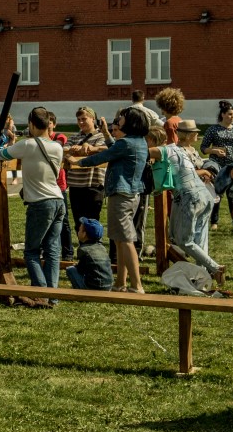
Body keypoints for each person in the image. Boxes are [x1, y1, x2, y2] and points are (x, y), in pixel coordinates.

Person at [74, 105, 149, 293]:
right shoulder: (138, 141)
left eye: (122, 117)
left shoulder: (126, 143)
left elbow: (103, 156)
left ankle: (137, 285)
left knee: (126, 240)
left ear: (131, 122)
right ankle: (120, 282)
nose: (119, 119)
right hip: (131, 195)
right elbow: (115, 149)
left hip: (121, 196)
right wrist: (107, 134)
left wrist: (78, 163)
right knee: (118, 239)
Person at [0, 108, 67, 293]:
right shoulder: (57, 147)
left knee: (32, 251)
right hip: (58, 200)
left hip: (40, 202)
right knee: (52, 250)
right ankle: (52, 293)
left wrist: (6, 143)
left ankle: (40, 291)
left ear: (32, 125)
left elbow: (0, 155)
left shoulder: (28, 145)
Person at [160, 119, 224, 286]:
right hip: (196, 195)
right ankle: (202, 278)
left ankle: (210, 270)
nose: (197, 134)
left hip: (195, 196)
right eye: (194, 132)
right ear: (187, 135)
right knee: (195, 239)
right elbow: (185, 171)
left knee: (191, 238)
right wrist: (202, 171)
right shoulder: (178, 151)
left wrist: (207, 167)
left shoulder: (189, 150)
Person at [200, 101, 233, 228]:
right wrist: (214, 150)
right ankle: (214, 222)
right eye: (229, 114)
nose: (232, 117)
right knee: (216, 194)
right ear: (223, 114)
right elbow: (203, 147)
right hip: (217, 165)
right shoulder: (213, 129)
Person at [66, 218, 114, 290]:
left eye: (79, 230)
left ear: (84, 234)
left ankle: (80, 290)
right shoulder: (102, 248)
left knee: (70, 269)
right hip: (108, 286)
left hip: (95, 287)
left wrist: (76, 266)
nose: (78, 232)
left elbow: (81, 270)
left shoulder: (83, 249)